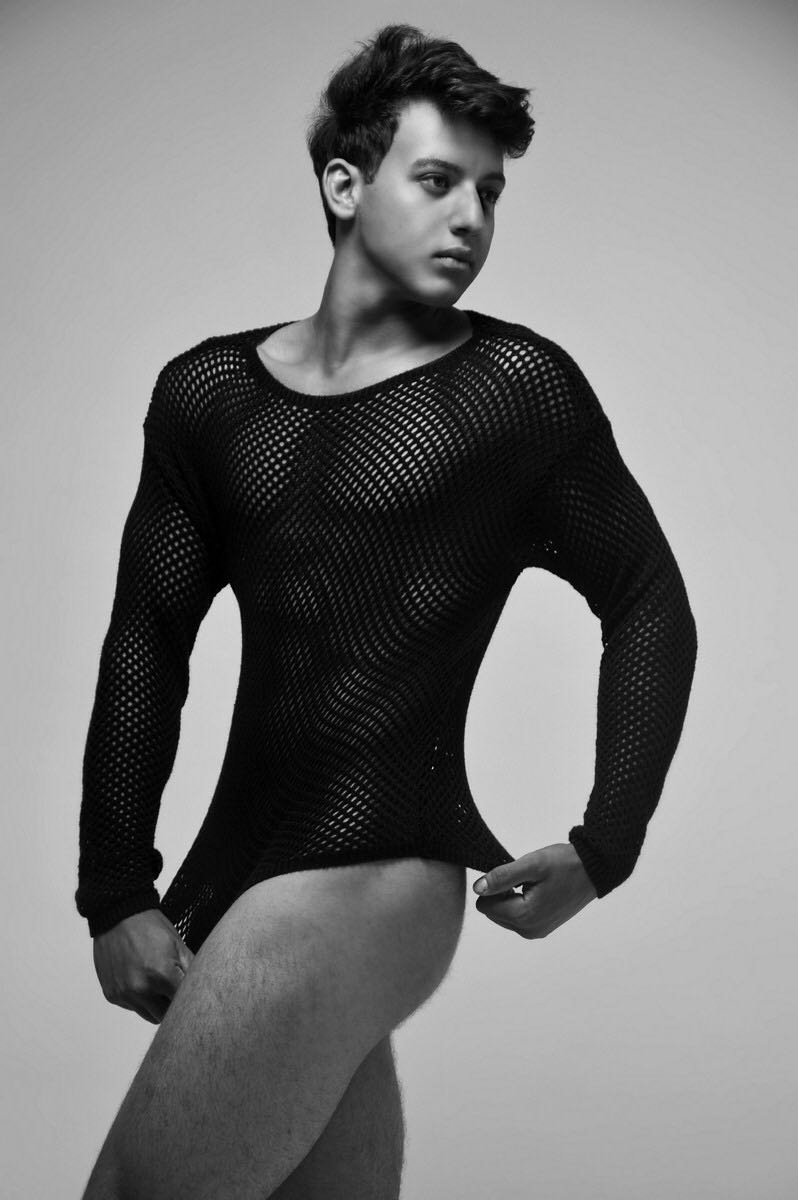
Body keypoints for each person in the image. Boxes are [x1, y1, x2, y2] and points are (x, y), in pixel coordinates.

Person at [75, 22, 698, 1200]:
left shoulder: (515, 391)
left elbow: (649, 600)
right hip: (239, 872)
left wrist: (604, 845)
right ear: (344, 185)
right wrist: (116, 889)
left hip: (375, 873)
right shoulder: (208, 395)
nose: (473, 218)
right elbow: (147, 639)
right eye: (439, 180)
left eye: (490, 192)